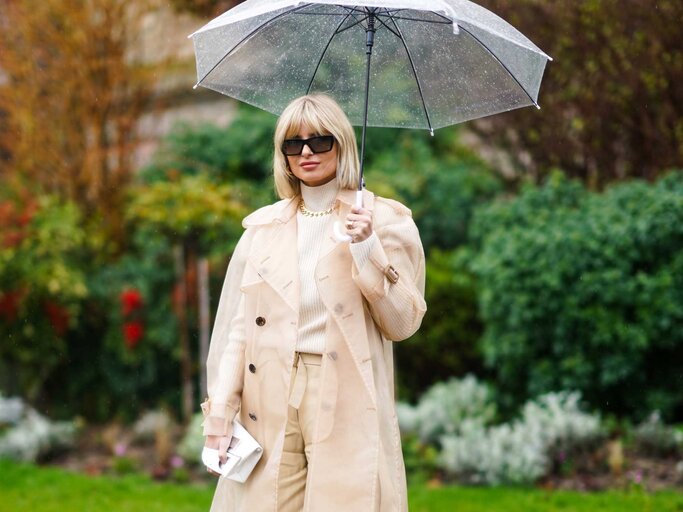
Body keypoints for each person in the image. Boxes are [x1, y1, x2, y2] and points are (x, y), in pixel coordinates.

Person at [201, 93, 426, 512]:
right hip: (268, 388)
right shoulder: (263, 228)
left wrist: (367, 247)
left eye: (320, 140)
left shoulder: (386, 220)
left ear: (342, 144)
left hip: (343, 388)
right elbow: (238, 330)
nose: (306, 152)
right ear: (282, 155)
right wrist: (220, 416)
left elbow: (403, 323)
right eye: (293, 143)